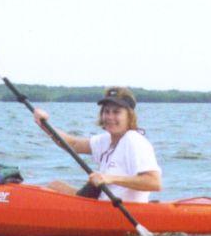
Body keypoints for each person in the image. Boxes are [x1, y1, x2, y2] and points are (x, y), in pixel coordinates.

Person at [32, 86, 162, 203]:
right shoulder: (105, 140)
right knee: (55, 185)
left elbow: (154, 182)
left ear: (130, 116)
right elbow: (73, 144)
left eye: (116, 112)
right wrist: (44, 124)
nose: (110, 117)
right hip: (99, 204)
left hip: (123, 211)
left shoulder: (134, 141)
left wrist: (109, 178)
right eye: (106, 111)